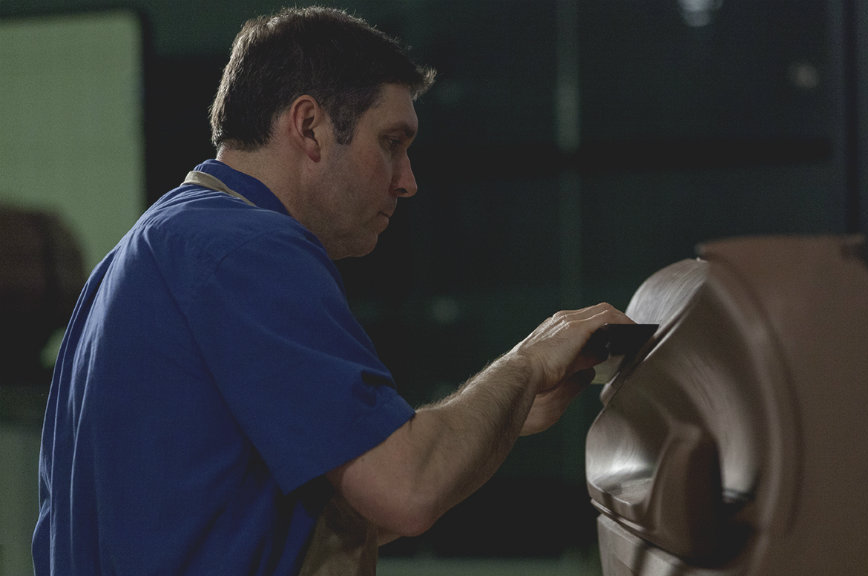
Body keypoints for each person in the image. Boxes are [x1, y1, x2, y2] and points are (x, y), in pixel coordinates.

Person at [32, 6, 633, 575]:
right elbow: (406, 492)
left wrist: (504, 414)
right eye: (391, 143)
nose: (408, 181)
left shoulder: (152, 251)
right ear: (310, 126)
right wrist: (525, 365)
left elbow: (317, 515)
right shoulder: (247, 248)